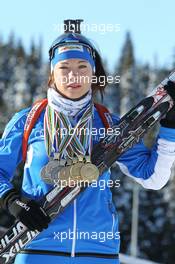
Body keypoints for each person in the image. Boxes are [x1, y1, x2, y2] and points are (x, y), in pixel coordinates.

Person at [1, 20, 175, 264]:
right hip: (38, 251)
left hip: (99, 252)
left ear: (93, 73)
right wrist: (14, 201)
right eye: (64, 67)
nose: (74, 75)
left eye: (83, 66)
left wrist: (169, 129)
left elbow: (153, 177)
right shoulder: (28, 121)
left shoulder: (108, 124)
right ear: (52, 73)